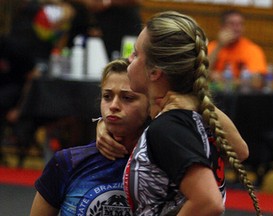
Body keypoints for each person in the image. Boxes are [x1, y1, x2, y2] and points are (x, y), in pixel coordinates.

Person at [105, 11, 260, 215]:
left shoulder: (168, 127)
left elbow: (208, 202)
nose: (128, 60)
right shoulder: (193, 114)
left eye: (135, 54)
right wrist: (104, 127)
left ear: (154, 72)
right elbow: (240, 151)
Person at [30, 58, 150, 215]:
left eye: (127, 97)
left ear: (151, 105)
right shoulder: (68, 162)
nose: (113, 105)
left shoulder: (161, 165)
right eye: (107, 96)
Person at [208, 9, 267, 83]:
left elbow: (256, 81)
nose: (236, 28)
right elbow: (200, 72)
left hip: (242, 93)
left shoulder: (253, 49)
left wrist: (224, 80)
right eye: (232, 24)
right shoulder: (212, 47)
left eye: (240, 24)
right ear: (221, 27)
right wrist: (219, 46)